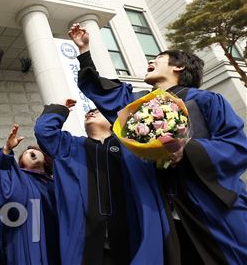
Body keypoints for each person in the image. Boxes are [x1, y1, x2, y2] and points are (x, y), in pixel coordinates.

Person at [68, 23, 247, 264]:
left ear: (179, 66)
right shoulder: (137, 106)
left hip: (207, 203)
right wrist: (84, 50)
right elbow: (104, 92)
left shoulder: (206, 100)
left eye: (158, 58)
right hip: (157, 207)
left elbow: (236, 145)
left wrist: (188, 150)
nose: (150, 62)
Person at [34, 99, 168, 264]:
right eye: (88, 112)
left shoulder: (130, 147)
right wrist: (60, 109)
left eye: (97, 111)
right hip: (87, 241)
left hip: (132, 234)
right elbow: (43, 131)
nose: (90, 113)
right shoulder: (71, 146)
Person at [0, 125, 59, 265]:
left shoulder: (54, 183)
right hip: (28, 238)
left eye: (35, 150)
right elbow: (1, 172)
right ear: (21, 164)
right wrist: (6, 151)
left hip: (54, 239)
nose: (31, 151)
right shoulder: (21, 178)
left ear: (45, 159)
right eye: (26, 152)